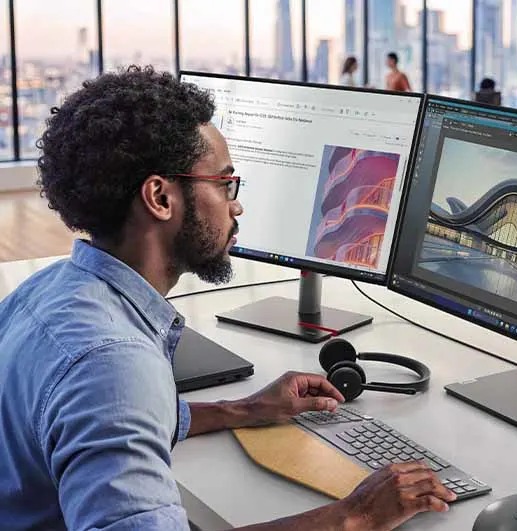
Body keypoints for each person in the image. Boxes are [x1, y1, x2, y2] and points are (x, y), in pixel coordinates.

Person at [0, 66, 456, 530]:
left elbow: (103, 422)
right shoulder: (113, 363)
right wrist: (355, 516)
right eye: (224, 184)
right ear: (160, 198)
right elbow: (113, 400)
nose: (236, 204)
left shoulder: (48, 291)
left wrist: (242, 410)